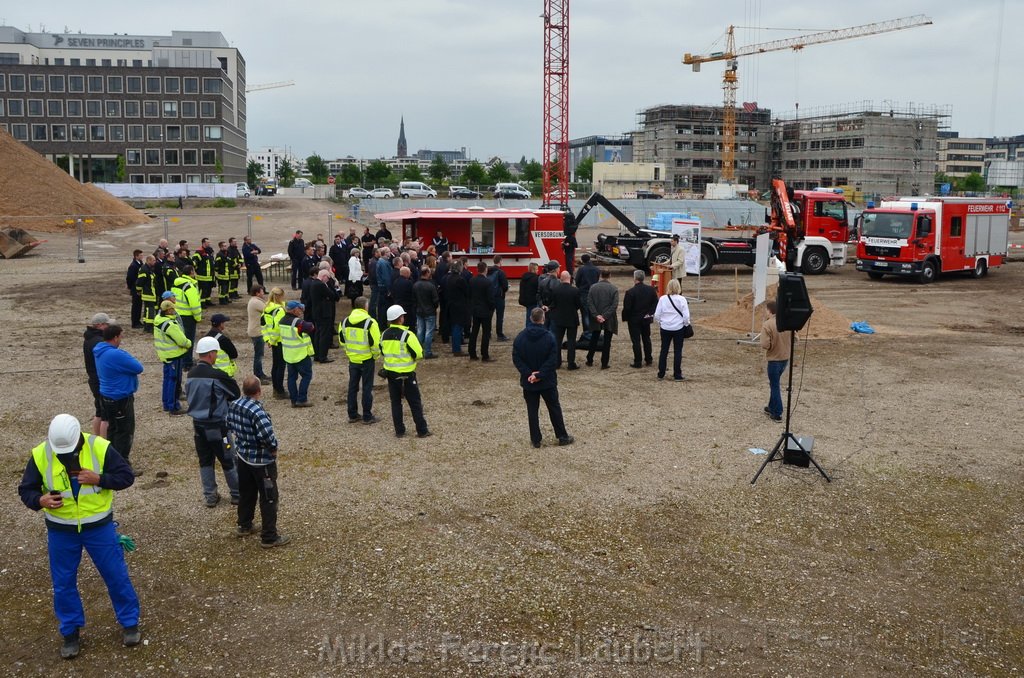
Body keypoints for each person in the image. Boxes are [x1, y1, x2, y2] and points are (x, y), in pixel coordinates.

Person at [18, 414, 141, 659]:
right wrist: (39, 500)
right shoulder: (41, 453)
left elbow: (126, 477)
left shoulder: (99, 447)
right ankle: (70, 633)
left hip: (99, 528)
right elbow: (26, 489)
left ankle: (130, 623)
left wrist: (100, 479)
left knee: (116, 576)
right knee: (63, 584)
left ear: (78, 439)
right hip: (61, 531)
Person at [228, 376, 290, 548]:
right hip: (261, 463)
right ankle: (269, 536)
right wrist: (273, 448)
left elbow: (229, 425)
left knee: (246, 492)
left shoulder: (234, 405)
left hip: (243, 457)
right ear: (259, 391)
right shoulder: (257, 412)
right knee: (269, 498)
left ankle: (244, 525)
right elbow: (267, 436)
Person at [185, 336, 241, 507]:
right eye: (215, 353)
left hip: (198, 424)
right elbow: (235, 393)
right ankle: (237, 494)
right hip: (218, 425)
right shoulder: (218, 375)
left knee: (205, 460)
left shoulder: (191, 374)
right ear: (210, 354)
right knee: (228, 460)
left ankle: (210, 496)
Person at [512, 308, 574, 449]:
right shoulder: (549, 337)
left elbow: (517, 358)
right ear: (543, 319)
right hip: (547, 381)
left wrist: (530, 374)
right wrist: (539, 374)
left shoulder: (520, 337)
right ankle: (562, 436)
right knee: (554, 408)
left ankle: (536, 439)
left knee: (532, 410)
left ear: (530, 318)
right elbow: (552, 360)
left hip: (530, 381)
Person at [95, 324, 144, 471]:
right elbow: (138, 367)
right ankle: (122, 465)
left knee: (112, 429)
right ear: (115, 337)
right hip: (120, 397)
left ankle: (111, 460)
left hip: (106, 395)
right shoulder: (116, 354)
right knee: (124, 431)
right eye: (121, 336)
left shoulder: (99, 350)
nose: (121, 339)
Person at [381, 305, 431, 438]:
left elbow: (382, 351)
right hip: (407, 375)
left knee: (396, 403)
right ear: (400, 318)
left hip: (391, 375)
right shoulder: (407, 335)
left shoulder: (384, 334)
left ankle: (399, 430)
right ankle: (422, 430)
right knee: (415, 403)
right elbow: (419, 353)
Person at [339, 296, 382, 424]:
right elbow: (375, 343)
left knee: (353, 387)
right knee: (367, 388)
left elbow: (342, 340)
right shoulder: (370, 323)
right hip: (367, 359)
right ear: (365, 307)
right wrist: (375, 356)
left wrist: (349, 352)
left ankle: (352, 414)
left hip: (353, 359)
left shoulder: (345, 321)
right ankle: (367, 416)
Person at [153, 299, 191, 414]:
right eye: (173, 308)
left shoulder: (158, 320)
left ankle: (166, 403)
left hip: (166, 356)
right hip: (174, 356)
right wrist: (189, 343)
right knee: (174, 381)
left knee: (167, 380)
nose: (174, 310)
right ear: (168, 310)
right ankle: (173, 406)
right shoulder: (170, 325)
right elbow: (182, 340)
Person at [653, 278, 691, 381]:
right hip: (678, 328)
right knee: (678, 351)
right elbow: (686, 316)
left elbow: (657, 314)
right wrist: (685, 324)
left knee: (664, 350)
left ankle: (661, 373)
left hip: (665, 327)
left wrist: (661, 322)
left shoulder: (662, 299)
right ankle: (677, 374)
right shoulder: (682, 299)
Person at [760, 300, 791, 423]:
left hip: (774, 360)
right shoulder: (787, 322)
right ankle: (771, 407)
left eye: (766, 310)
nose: (765, 312)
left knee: (775, 385)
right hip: (785, 359)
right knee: (774, 383)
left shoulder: (767, 325)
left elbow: (764, 344)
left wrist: (772, 345)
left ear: (770, 311)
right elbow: (796, 338)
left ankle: (777, 413)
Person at [279, 301, 315, 407]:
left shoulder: (281, 321)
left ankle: (293, 400)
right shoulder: (297, 322)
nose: (301, 311)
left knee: (291, 378)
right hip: (300, 354)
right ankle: (302, 399)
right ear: (294, 310)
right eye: (299, 309)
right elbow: (310, 327)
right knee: (307, 375)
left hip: (288, 354)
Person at [622, 270, 658, 368]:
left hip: (634, 320)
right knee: (646, 339)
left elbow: (627, 308)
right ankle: (648, 359)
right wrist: (650, 313)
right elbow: (655, 303)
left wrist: (626, 318)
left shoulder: (630, 292)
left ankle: (638, 361)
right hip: (646, 319)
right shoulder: (651, 290)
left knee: (636, 341)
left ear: (635, 278)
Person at [547, 271, 583, 370]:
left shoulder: (555, 290)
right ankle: (571, 363)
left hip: (558, 319)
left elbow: (552, 303)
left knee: (557, 341)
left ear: (561, 278)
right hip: (571, 318)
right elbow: (578, 305)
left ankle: (557, 362)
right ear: (570, 278)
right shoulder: (575, 291)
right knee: (571, 341)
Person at [83, 313, 111, 436]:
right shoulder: (98, 342)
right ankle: (104, 443)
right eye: (107, 324)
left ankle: (96, 438)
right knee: (106, 416)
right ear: (100, 325)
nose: (109, 327)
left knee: (99, 412)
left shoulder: (89, 338)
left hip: (93, 379)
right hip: (100, 380)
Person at [585, 268, 619, 369]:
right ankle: (604, 363)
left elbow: (589, 302)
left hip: (596, 318)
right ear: (610, 275)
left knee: (594, 338)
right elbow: (614, 305)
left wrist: (597, 315)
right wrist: (605, 316)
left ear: (600, 275)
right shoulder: (613, 289)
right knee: (607, 341)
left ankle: (589, 359)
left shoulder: (593, 287)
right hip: (608, 318)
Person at [171, 263, 203, 370]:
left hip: (177, 315)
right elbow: (194, 304)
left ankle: (181, 360)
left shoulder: (176, 284)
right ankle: (188, 362)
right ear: (191, 273)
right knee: (189, 340)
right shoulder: (189, 286)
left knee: (180, 339)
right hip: (188, 317)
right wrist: (198, 317)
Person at [262, 288, 288, 399]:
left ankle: (276, 389)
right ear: (280, 296)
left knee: (275, 365)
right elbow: (278, 327)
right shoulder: (280, 310)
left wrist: (268, 339)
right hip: (280, 340)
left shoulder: (266, 308)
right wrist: (272, 340)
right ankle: (279, 390)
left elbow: (263, 325)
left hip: (272, 341)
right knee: (281, 366)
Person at [467, 262, 496, 361]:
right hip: (485, 310)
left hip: (475, 310)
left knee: (474, 332)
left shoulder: (472, 280)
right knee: (486, 333)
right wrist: (492, 308)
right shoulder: (488, 282)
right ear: (486, 269)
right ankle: (485, 355)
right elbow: (490, 298)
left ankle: (472, 353)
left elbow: (469, 295)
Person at [311, 270, 340, 363]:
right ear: (323, 276)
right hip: (324, 313)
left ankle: (317, 354)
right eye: (327, 278)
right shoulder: (321, 285)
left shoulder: (314, 283)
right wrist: (332, 287)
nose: (328, 280)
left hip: (317, 312)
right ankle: (323, 356)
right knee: (324, 335)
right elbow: (332, 295)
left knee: (318, 334)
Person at [412, 267, 439, 359]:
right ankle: (427, 352)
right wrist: (434, 307)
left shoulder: (415, 285)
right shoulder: (431, 286)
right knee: (429, 332)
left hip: (419, 311)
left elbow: (414, 299)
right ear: (427, 273)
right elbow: (435, 300)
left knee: (420, 331)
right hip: (430, 311)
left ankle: (419, 350)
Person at [246, 285, 271, 384]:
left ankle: (260, 374)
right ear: (257, 293)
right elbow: (269, 310)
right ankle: (258, 376)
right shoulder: (256, 302)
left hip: (255, 330)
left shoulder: (255, 301)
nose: (263, 294)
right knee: (258, 355)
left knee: (259, 354)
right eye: (262, 292)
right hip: (257, 331)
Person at [574, 253, 600, 343]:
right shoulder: (596, 269)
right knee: (593, 313)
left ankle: (587, 332)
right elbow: (597, 280)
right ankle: (593, 330)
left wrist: (580, 287)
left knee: (585, 313)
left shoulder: (581, 269)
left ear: (582, 260)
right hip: (593, 293)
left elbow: (577, 281)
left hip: (584, 293)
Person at [205, 313, 238, 377]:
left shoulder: (205, 338)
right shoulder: (223, 339)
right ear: (221, 324)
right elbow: (234, 354)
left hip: (208, 372)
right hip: (223, 372)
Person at [488, 255, 510, 341]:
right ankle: (499, 334)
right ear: (500, 261)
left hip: (489, 296)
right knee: (499, 316)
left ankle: (488, 333)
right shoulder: (500, 272)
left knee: (489, 316)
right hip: (499, 297)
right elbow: (505, 286)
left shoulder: (488, 270)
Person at [135, 254, 157, 333]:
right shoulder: (144, 269)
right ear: (149, 260)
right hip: (148, 294)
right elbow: (140, 282)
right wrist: (138, 291)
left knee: (148, 310)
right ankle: (149, 327)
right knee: (149, 311)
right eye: (153, 260)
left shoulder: (149, 269)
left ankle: (147, 326)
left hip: (151, 293)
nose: (155, 262)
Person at [390, 265, 416, 331]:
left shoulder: (395, 282)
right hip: (407, 307)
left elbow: (393, 293)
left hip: (397, 304)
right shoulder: (408, 283)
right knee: (408, 323)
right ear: (406, 273)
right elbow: (412, 294)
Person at [191, 239, 215, 308]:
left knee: (209, 289)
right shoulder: (199, 252)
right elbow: (194, 262)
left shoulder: (209, 251)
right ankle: (202, 303)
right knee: (202, 290)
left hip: (209, 276)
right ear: (204, 243)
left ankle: (208, 301)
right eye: (208, 242)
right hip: (202, 276)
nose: (209, 243)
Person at [126, 250, 144, 329]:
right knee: (135, 306)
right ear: (136, 256)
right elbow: (129, 278)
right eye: (140, 255)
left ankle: (138, 321)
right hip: (135, 289)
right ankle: (135, 322)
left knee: (139, 305)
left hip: (139, 288)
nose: (142, 257)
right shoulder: (133, 266)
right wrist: (131, 287)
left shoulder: (140, 264)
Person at [518, 262, 540, 327]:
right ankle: (530, 331)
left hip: (525, 300)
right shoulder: (535, 279)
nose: (538, 271)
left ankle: (528, 329)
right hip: (533, 301)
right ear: (533, 269)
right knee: (532, 318)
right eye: (537, 269)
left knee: (529, 317)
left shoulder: (524, 277)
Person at [214, 241, 232, 305]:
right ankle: (221, 300)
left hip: (227, 274)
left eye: (226, 246)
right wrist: (218, 273)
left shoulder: (227, 253)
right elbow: (216, 265)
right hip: (222, 275)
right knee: (222, 288)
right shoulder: (219, 254)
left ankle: (226, 298)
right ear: (221, 247)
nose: (226, 247)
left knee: (227, 288)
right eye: (224, 246)